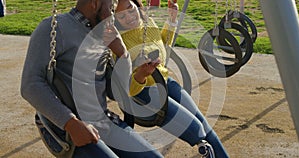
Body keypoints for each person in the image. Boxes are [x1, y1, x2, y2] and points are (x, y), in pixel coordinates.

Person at [21, 0, 165, 157]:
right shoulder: (54, 27)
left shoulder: (104, 33)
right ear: (95, 3)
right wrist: (70, 123)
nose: (113, 14)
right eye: (111, 8)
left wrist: (123, 55)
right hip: (64, 128)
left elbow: (115, 93)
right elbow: (31, 84)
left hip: (103, 121)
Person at [113, 0, 229, 157]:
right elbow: (128, 90)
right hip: (144, 94)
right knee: (197, 130)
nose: (129, 17)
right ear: (115, 19)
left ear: (137, 6)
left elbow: (163, 43)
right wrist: (141, 74)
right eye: (121, 16)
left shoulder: (148, 23)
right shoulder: (118, 43)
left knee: (206, 127)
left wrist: (172, 20)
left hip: (166, 82)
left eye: (130, 9)